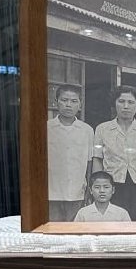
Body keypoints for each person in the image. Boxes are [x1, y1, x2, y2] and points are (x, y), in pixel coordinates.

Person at [92, 85, 136, 220]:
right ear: (114, 103)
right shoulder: (102, 129)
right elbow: (97, 158)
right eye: (121, 101)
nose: (126, 106)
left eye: (131, 102)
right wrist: (98, 185)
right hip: (112, 185)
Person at [47, 83, 95, 222]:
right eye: (64, 100)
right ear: (56, 101)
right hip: (51, 191)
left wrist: (89, 188)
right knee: (53, 228)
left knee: (74, 228)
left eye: (74, 101)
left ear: (80, 104)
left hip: (77, 191)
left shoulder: (87, 130)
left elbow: (89, 161)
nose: (68, 105)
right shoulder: (46, 127)